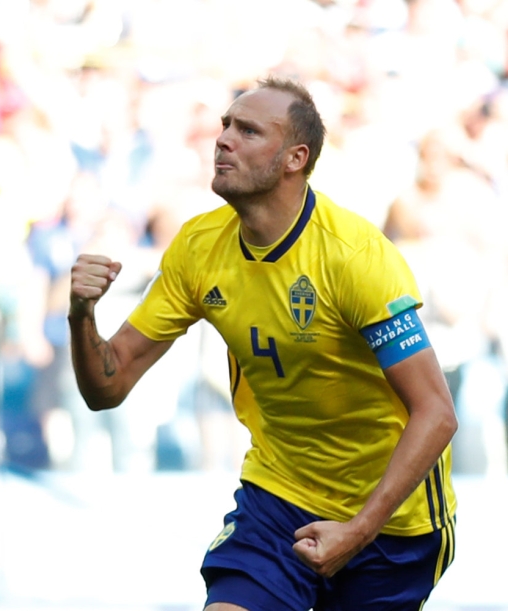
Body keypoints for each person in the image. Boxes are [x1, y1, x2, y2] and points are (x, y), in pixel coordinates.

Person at [68, 76, 458, 611]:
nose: (223, 139)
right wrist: (81, 316)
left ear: (295, 158)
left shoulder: (356, 257)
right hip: (277, 499)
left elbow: (436, 412)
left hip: (391, 521)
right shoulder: (198, 247)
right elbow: (107, 386)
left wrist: (360, 529)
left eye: (247, 130)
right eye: (226, 125)